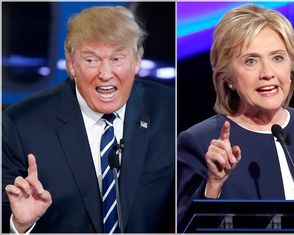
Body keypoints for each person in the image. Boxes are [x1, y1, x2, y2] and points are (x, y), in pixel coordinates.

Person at [177, 4, 294, 231]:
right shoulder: (200, 142)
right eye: (251, 61)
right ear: (228, 77)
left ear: (292, 66)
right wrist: (214, 185)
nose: (267, 73)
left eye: (277, 58)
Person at [2, 5, 175, 233]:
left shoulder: (168, 110)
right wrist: (19, 225)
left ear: (137, 61)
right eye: (91, 60)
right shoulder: (21, 125)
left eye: (117, 58)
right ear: (72, 64)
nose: (105, 73)